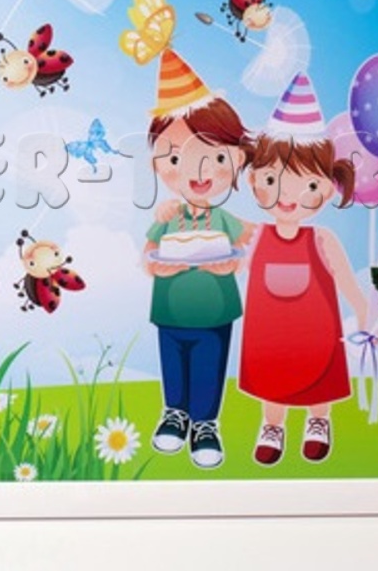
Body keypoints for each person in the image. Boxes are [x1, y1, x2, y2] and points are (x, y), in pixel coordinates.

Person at [238, 73, 372, 465]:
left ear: (327, 188)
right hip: (269, 335)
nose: (289, 196)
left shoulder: (323, 239)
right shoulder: (256, 236)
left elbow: (345, 279)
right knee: (272, 380)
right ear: (254, 181)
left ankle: (318, 421)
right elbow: (227, 256)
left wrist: (362, 309)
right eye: (273, 179)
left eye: (308, 185)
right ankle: (272, 427)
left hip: (317, 333)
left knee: (319, 379)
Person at [143, 49, 255, 469]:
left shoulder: (223, 218)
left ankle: (205, 424)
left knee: (209, 364)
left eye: (216, 157)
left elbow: (248, 242)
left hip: (215, 311)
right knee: (173, 363)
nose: (198, 171)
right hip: (170, 308)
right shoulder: (167, 217)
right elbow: (148, 254)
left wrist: (234, 263)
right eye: (176, 158)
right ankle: (175, 415)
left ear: (236, 158)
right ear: (159, 164)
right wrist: (155, 265)